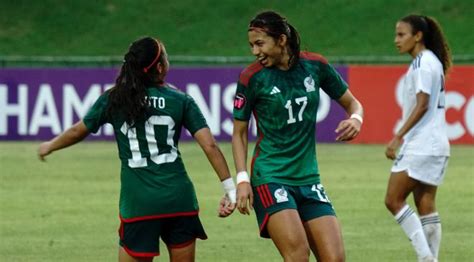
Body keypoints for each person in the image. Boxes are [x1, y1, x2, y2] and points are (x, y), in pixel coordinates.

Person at [38, 36, 237, 262]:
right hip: (179, 200)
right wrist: (230, 190)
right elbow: (209, 145)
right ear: (160, 67)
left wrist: (50, 145)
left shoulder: (113, 99)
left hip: (140, 204)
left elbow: (78, 131)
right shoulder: (180, 100)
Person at [232, 11, 364, 262]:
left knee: (335, 259)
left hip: (309, 178)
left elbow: (354, 105)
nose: (254, 52)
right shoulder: (252, 77)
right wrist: (242, 179)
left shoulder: (315, 66)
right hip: (271, 177)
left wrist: (356, 120)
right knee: (298, 256)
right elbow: (239, 133)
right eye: (251, 45)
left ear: (281, 40)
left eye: (260, 43)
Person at [384, 14, 452, 262]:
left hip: (421, 144)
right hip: (436, 144)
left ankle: (426, 258)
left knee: (393, 200)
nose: (396, 40)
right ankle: (430, 257)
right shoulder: (430, 61)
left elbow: (422, 104)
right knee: (426, 206)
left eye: (401, 34)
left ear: (418, 36)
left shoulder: (423, 63)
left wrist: (398, 136)